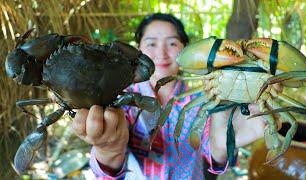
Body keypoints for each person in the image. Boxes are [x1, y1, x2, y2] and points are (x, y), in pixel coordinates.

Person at [71, 13, 266, 179]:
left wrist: (223, 145)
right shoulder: (120, 101)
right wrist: (108, 151)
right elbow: (105, 170)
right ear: (138, 50)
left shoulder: (205, 100)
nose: (162, 53)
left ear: (186, 49)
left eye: (172, 43)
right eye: (151, 43)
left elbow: (214, 149)